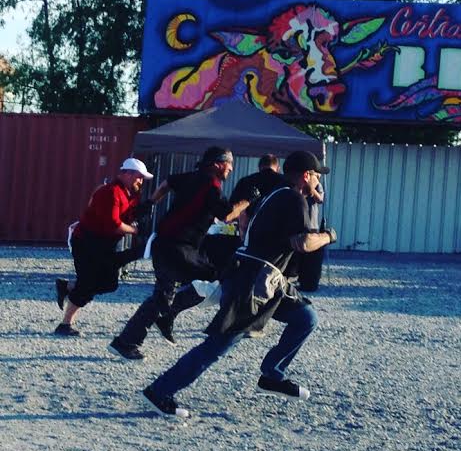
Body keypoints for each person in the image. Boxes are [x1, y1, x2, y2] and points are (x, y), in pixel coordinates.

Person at [141, 150, 337, 418]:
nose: (318, 181)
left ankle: (272, 375)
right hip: (253, 280)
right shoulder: (293, 198)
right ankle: (159, 391)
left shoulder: (279, 193)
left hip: (265, 276)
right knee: (219, 344)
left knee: (306, 318)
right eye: (316, 175)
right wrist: (328, 236)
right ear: (306, 175)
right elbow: (302, 243)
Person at [109, 146, 248, 360]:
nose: (231, 169)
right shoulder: (211, 186)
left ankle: (149, 327)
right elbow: (227, 215)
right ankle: (133, 337)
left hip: (168, 243)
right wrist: (247, 201)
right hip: (178, 247)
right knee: (213, 278)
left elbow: (166, 183)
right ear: (218, 164)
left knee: (170, 293)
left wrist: (151, 202)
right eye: (229, 164)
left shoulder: (190, 177)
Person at [54, 158, 155, 336]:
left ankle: (68, 287)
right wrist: (135, 230)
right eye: (139, 177)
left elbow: (127, 216)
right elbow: (113, 224)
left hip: (104, 243)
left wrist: (142, 210)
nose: (141, 181)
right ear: (127, 174)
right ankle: (65, 324)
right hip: (87, 242)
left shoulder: (128, 194)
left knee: (109, 284)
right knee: (88, 283)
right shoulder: (110, 192)